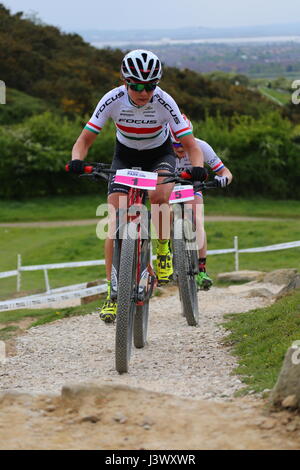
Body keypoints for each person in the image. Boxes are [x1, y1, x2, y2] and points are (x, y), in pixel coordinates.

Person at [68, 50, 208, 322]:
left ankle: (164, 249)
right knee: (115, 218)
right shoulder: (112, 99)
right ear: (125, 82)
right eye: (137, 86)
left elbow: (191, 146)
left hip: (160, 154)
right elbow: (83, 140)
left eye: (150, 85)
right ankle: (112, 292)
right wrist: (76, 160)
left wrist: (199, 166)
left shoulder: (165, 102)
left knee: (159, 195)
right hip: (125, 155)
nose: (143, 92)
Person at [170, 114, 233, 290]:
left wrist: (223, 179)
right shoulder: (161, 148)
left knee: (197, 219)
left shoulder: (201, 146)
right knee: (162, 216)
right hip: (169, 188)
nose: (180, 149)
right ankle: (166, 258)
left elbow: (226, 172)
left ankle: (202, 269)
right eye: (175, 145)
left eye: (183, 144)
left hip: (191, 188)